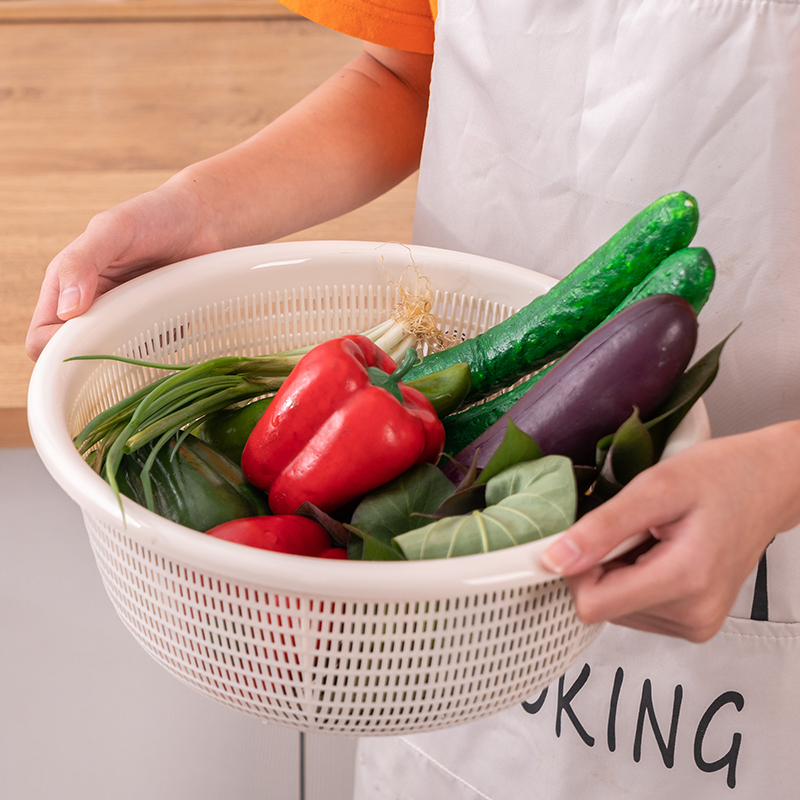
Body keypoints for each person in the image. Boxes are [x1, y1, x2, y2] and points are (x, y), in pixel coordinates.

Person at [26, 0, 800, 796]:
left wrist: (780, 476)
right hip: (431, 600)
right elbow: (407, 73)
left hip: (749, 531)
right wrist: (200, 208)